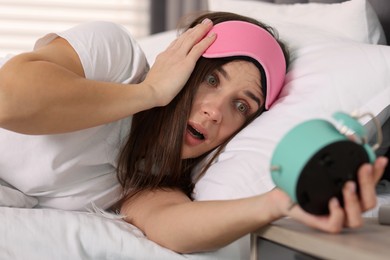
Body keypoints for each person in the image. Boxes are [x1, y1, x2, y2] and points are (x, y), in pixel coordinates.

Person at [0, 11, 387, 254]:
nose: (216, 111)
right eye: (212, 78)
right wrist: (148, 94)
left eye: (242, 105)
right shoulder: (114, 55)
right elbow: (9, 101)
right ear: (181, 62)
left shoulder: (146, 182)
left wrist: (280, 202)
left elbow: (177, 228)